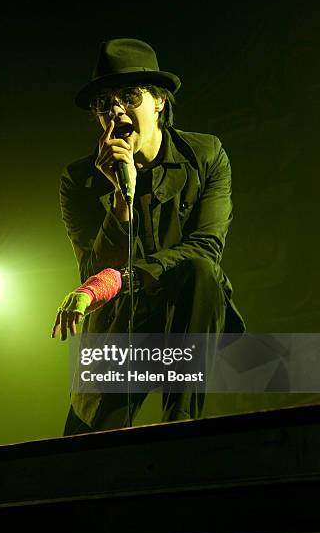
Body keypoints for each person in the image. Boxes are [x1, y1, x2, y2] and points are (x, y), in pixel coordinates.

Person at [51, 38, 245, 435]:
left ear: (158, 101)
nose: (116, 111)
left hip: (185, 314)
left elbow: (206, 246)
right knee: (83, 456)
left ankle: (180, 426)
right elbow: (92, 269)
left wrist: (118, 279)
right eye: (104, 104)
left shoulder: (206, 156)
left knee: (200, 270)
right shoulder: (80, 180)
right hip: (120, 326)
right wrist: (121, 199)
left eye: (128, 96)